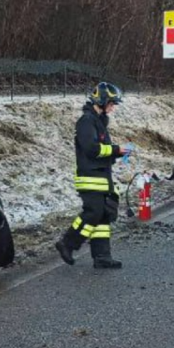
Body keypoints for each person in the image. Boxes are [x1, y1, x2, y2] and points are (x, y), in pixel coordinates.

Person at [55, 82, 130, 269]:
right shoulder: (86, 121)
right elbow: (91, 149)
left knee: (104, 215)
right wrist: (115, 149)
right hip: (90, 177)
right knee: (93, 213)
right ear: (102, 101)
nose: (113, 107)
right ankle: (67, 243)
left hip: (102, 177)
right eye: (111, 103)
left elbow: (102, 151)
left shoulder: (99, 121)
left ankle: (102, 256)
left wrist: (117, 153)